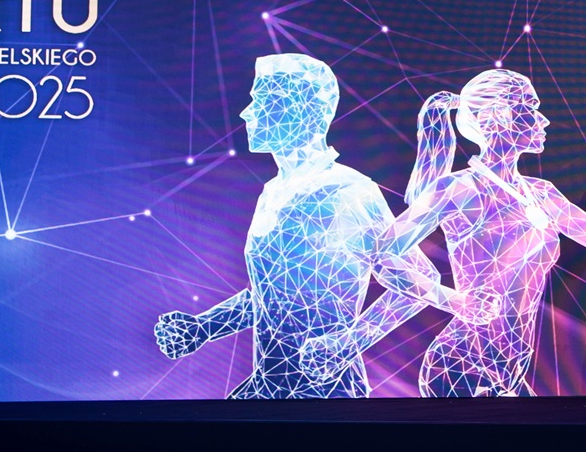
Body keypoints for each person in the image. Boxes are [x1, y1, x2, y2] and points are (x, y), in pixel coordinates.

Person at [152, 53, 490, 398]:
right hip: (270, 386)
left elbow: (419, 279)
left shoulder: (346, 190)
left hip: (326, 393)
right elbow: (277, 295)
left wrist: (349, 342)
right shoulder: (273, 191)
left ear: (302, 111)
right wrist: (203, 327)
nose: (247, 112)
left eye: (262, 99)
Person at [306, 68, 586, 397]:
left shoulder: (542, 192)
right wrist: (454, 300)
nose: (544, 120)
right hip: (463, 365)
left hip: (510, 369)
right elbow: (382, 257)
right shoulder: (457, 189)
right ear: (500, 115)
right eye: (531, 108)